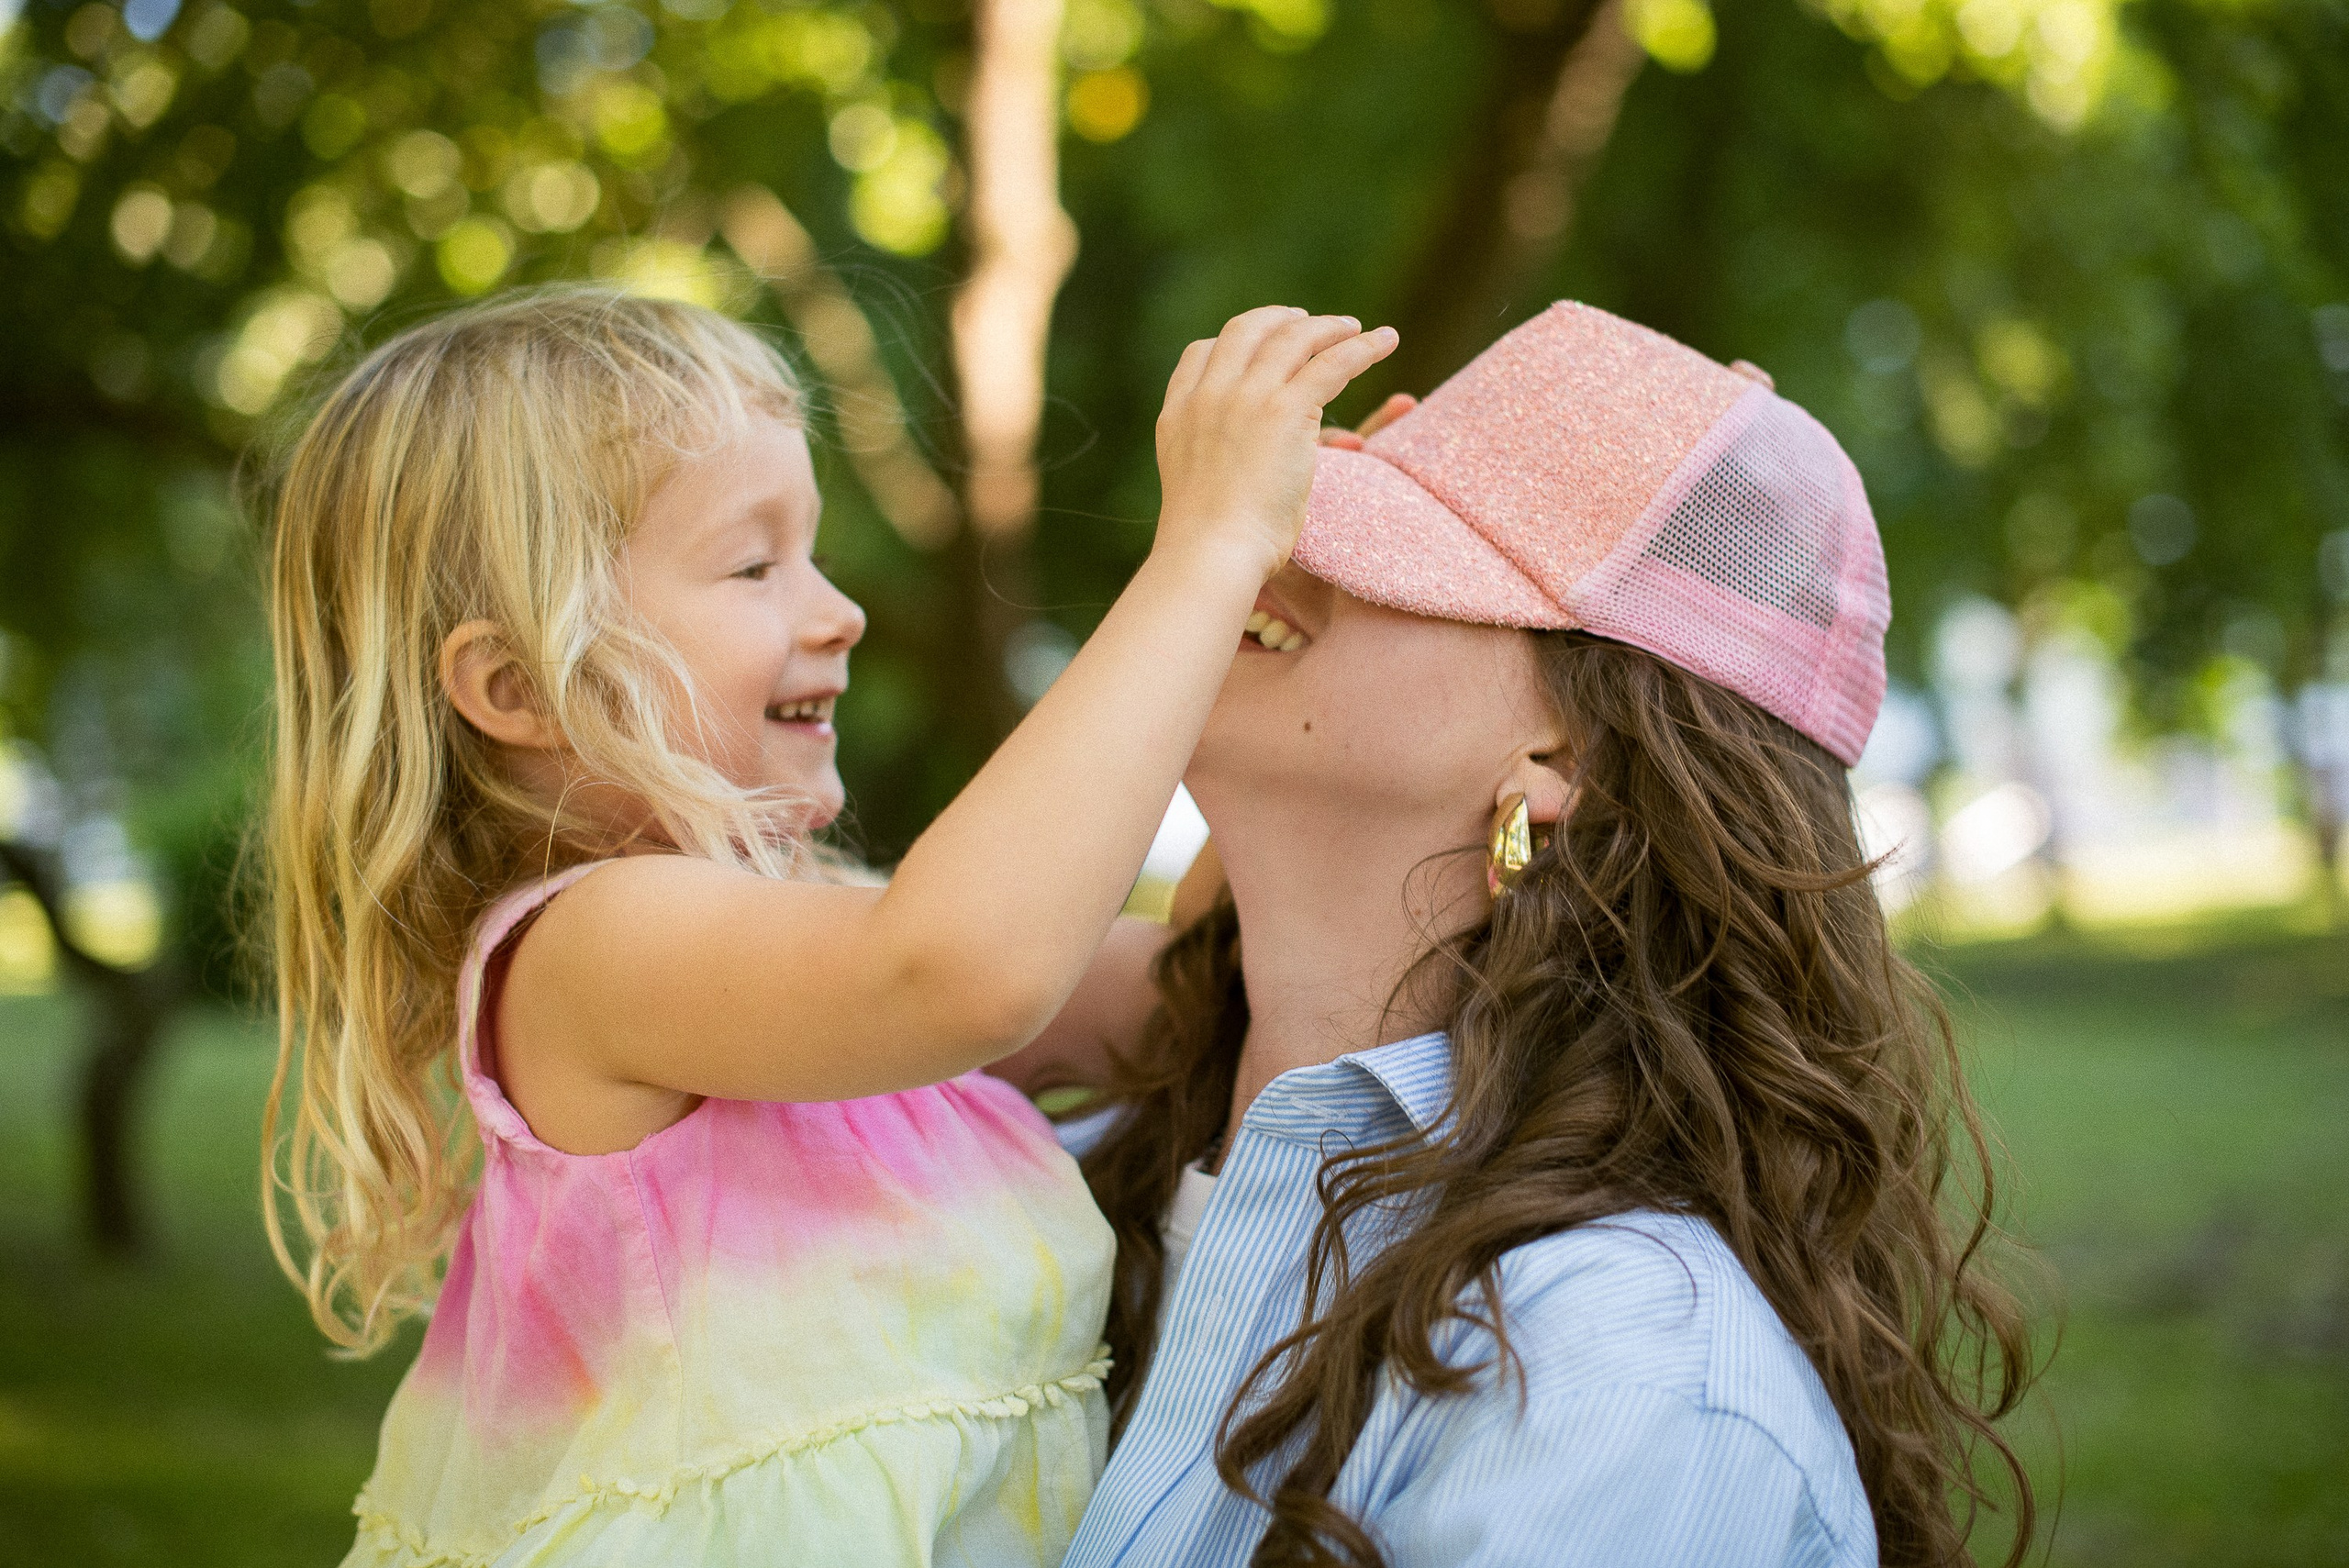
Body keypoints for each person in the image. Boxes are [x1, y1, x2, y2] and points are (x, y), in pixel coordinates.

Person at [257, 286, 1396, 1567]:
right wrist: (1199, 552)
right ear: (520, 686)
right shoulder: (592, 951)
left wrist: (1280, 605)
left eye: (812, 551)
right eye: (753, 565)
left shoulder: (831, 946)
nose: (838, 609)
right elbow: (966, 967)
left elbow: (1203, 984)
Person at [1008, 302, 2036, 1567]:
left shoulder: (1621, 1384)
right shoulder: (1084, 1164)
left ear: (1568, 756)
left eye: (1390, 543)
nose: (1278, 549)